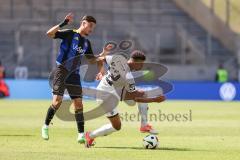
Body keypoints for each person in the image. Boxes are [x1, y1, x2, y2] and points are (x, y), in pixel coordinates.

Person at [41, 13, 111, 143]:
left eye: (93, 27)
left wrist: (103, 54)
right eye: (90, 26)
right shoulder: (69, 33)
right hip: (61, 70)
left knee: (79, 104)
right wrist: (63, 23)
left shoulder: (86, 43)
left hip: (74, 74)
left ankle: (80, 134)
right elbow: (49, 34)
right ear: (83, 23)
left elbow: (92, 60)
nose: (91, 29)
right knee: (57, 102)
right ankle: (45, 126)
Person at [84, 50, 165, 147]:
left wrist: (101, 71)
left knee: (141, 94)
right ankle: (90, 135)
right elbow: (136, 99)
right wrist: (155, 100)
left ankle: (144, 125)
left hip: (115, 91)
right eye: (141, 64)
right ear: (135, 63)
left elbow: (100, 58)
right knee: (117, 126)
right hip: (105, 98)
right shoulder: (128, 78)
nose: (141, 67)